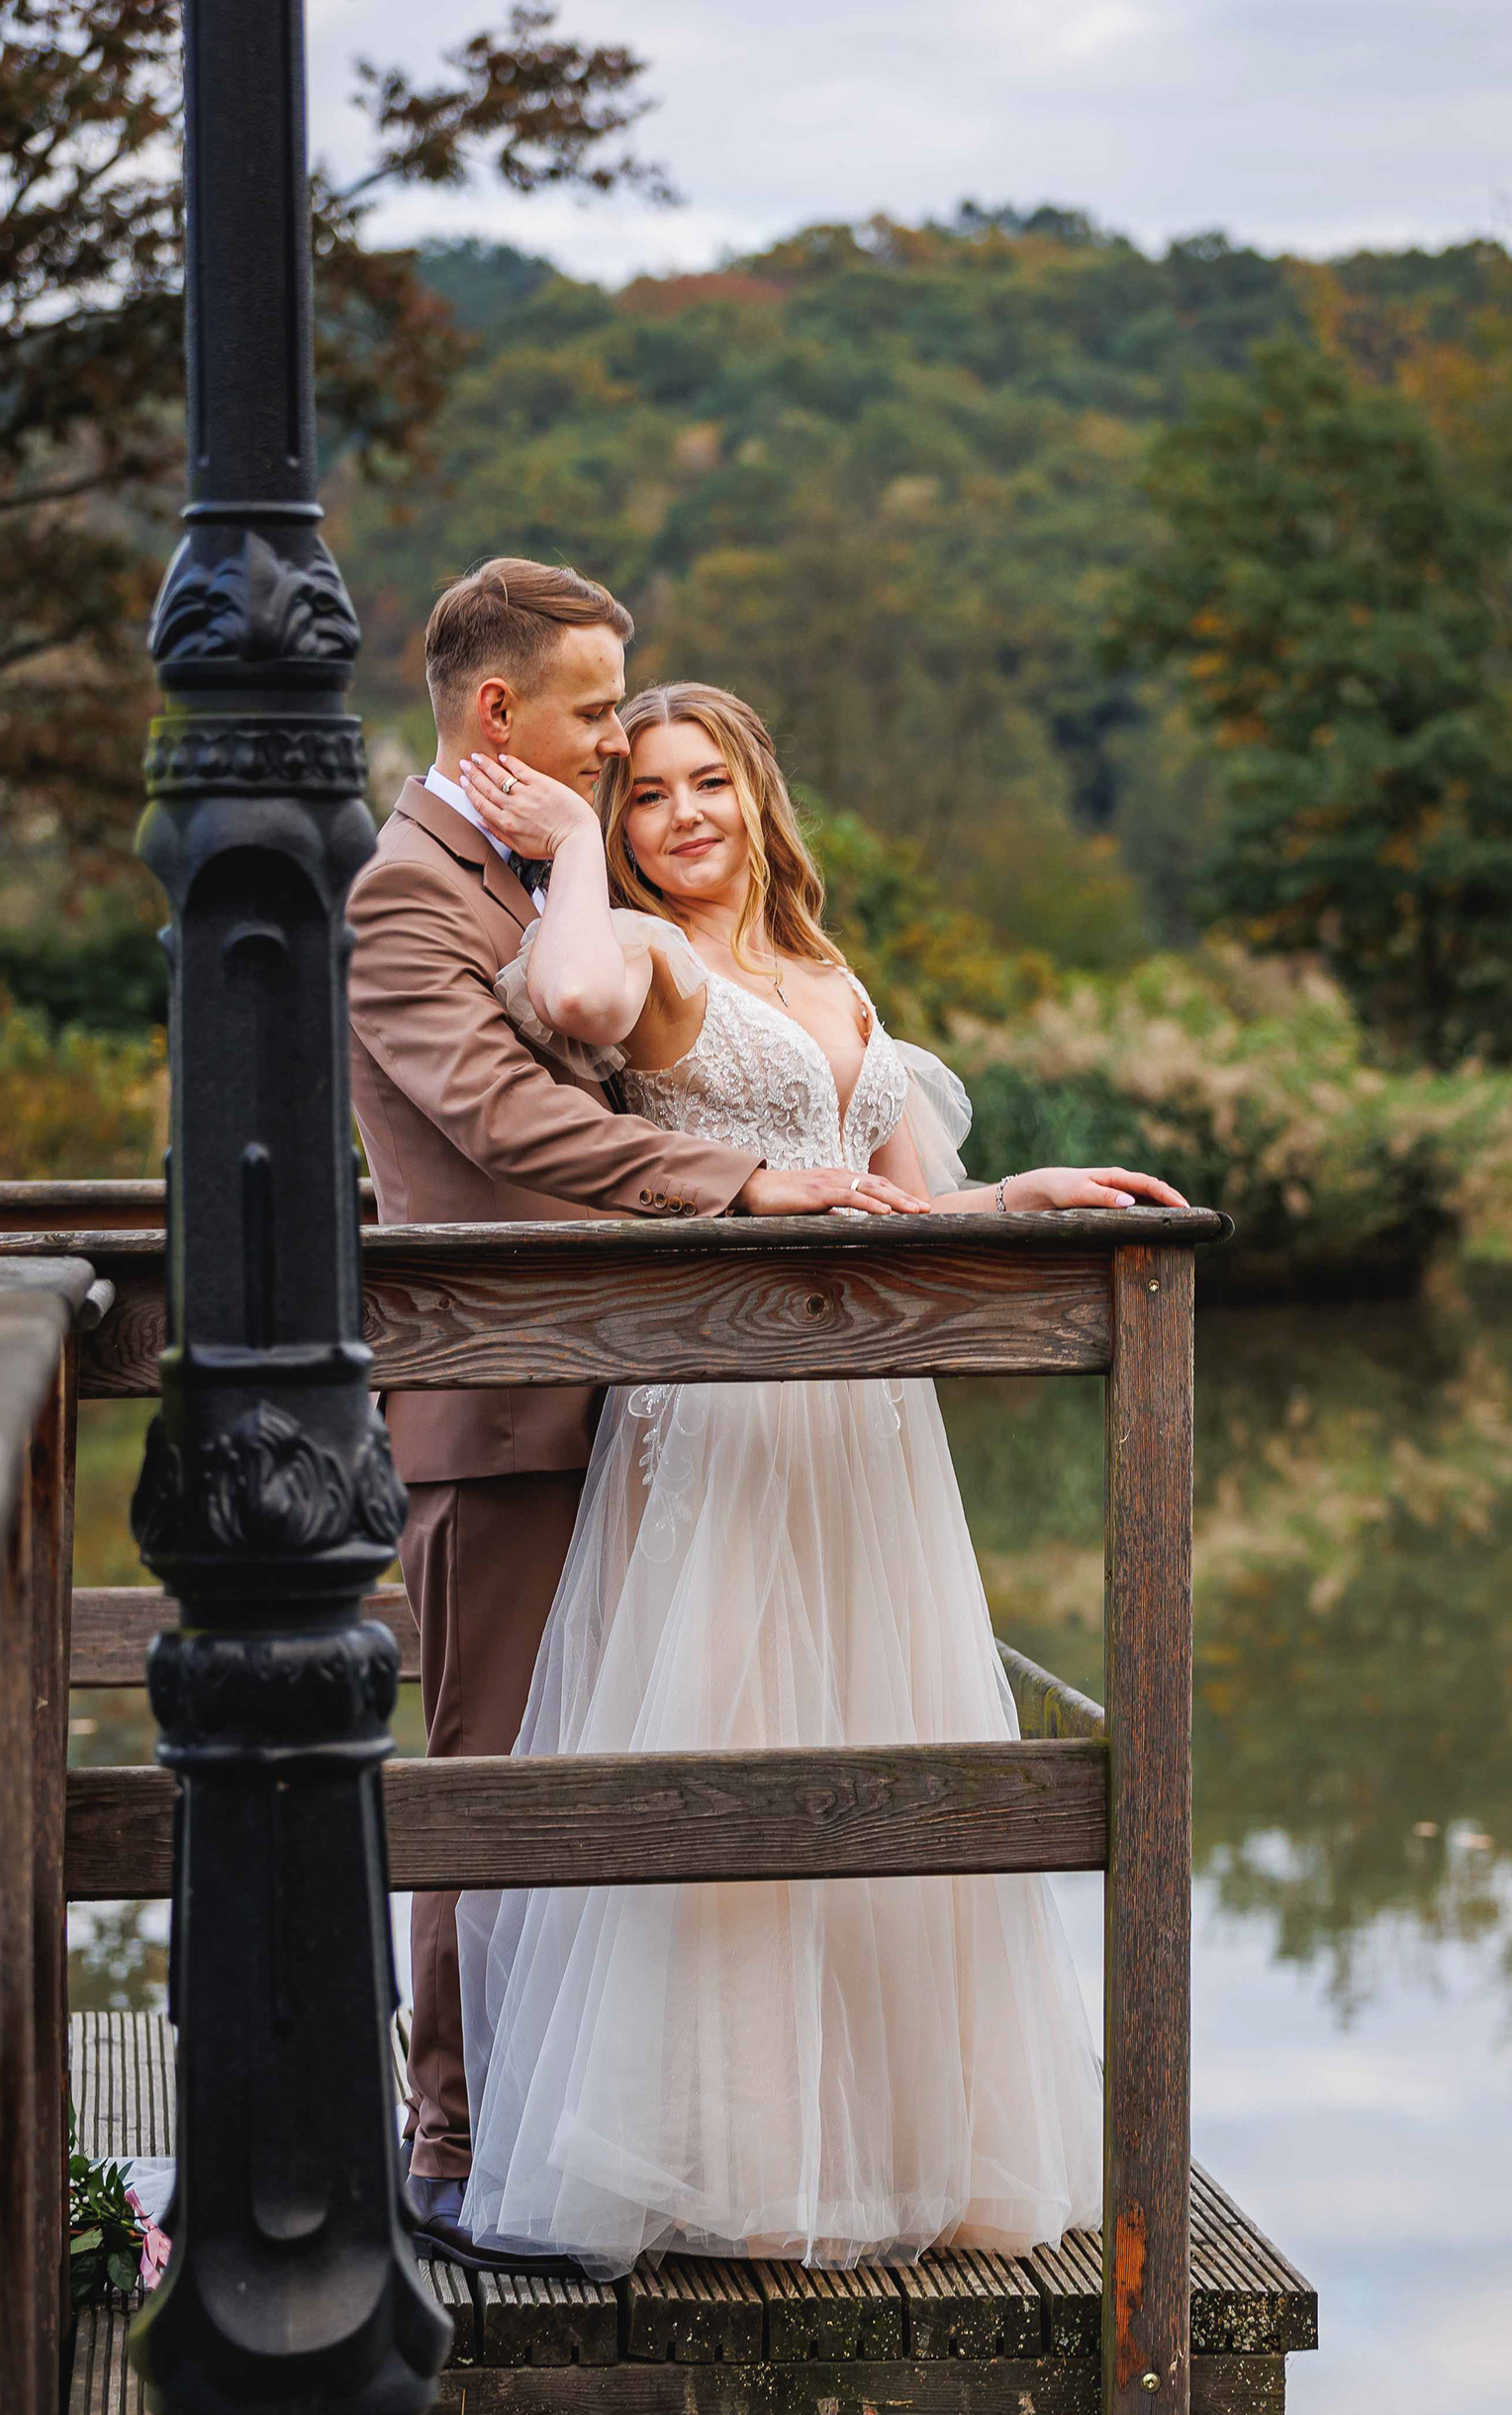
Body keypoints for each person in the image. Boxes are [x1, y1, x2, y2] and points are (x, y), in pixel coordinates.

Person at [445, 681, 1187, 2273]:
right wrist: (567, 843)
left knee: (880, 1736)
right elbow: (566, 996)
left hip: (870, 1425)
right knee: (733, 1734)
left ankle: (899, 2148)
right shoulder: (645, 955)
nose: (682, 816)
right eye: (647, 792)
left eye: (707, 783)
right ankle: (729, 2160)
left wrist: (1021, 1195)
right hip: (727, 1414)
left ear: (758, 794)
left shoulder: (829, 972)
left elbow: (905, 1203)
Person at [347, 566, 923, 2231]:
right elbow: (503, 1121)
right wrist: (738, 1183)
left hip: (643, 1404)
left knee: (629, 1779)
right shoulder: (407, 895)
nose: (615, 744)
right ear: (499, 710)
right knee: (496, 1783)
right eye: (598, 713)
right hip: (504, 1401)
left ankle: (600, 2130)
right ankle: (453, 2145)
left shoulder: (543, 865)